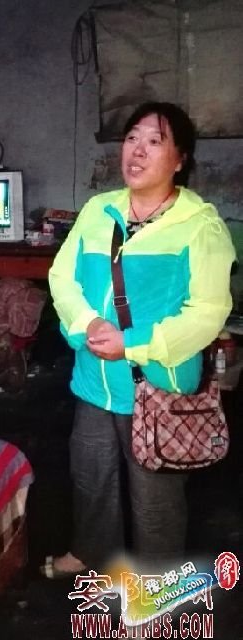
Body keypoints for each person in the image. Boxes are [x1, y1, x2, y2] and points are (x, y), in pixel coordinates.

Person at [43, 102, 236, 576]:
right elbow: (61, 276)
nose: (138, 150)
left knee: (155, 500)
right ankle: (91, 553)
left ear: (179, 159)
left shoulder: (200, 225)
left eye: (155, 141)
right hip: (94, 379)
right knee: (90, 476)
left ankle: (157, 586)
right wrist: (87, 323)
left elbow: (208, 313)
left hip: (156, 387)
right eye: (132, 138)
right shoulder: (98, 210)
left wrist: (132, 345)